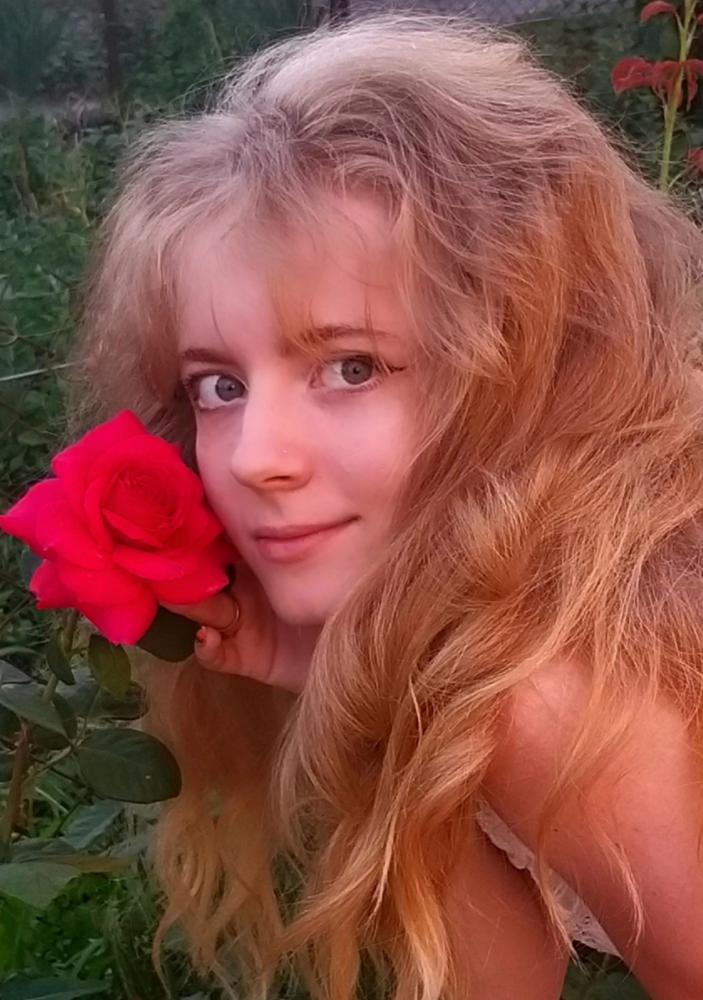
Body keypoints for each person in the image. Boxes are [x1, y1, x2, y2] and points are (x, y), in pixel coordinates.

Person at [62, 11, 703, 1000]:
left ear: (528, 364)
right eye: (219, 386)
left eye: (350, 366)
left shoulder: (554, 695)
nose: (254, 458)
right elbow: (501, 979)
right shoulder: (487, 646)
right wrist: (352, 694)